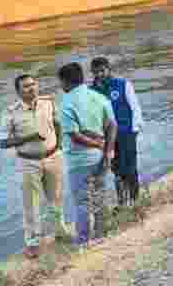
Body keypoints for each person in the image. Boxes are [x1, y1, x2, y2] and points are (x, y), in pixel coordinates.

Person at [0, 74, 71, 259]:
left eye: (33, 84)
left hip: (53, 156)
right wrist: (29, 138)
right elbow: (3, 143)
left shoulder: (48, 103)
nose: (31, 89)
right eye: (26, 87)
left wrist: (59, 145)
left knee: (56, 198)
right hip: (28, 161)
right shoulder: (10, 112)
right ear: (18, 91)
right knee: (31, 204)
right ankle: (33, 243)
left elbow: (57, 123)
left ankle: (61, 232)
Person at [57, 62, 117, 247]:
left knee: (82, 201)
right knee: (99, 194)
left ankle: (83, 240)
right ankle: (101, 234)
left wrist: (97, 144)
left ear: (65, 82)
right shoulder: (98, 97)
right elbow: (112, 125)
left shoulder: (67, 102)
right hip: (101, 157)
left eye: (60, 82)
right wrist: (108, 150)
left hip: (80, 159)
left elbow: (75, 136)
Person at [90, 57, 144, 208]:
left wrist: (134, 130)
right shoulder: (91, 91)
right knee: (116, 169)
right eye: (96, 72)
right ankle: (122, 203)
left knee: (130, 166)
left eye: (102, 71)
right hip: (107, 137)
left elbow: (135, 108)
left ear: (109, 69)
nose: (99, 74)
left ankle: (135, 200)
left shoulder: (123, 84)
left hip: (126, 132)